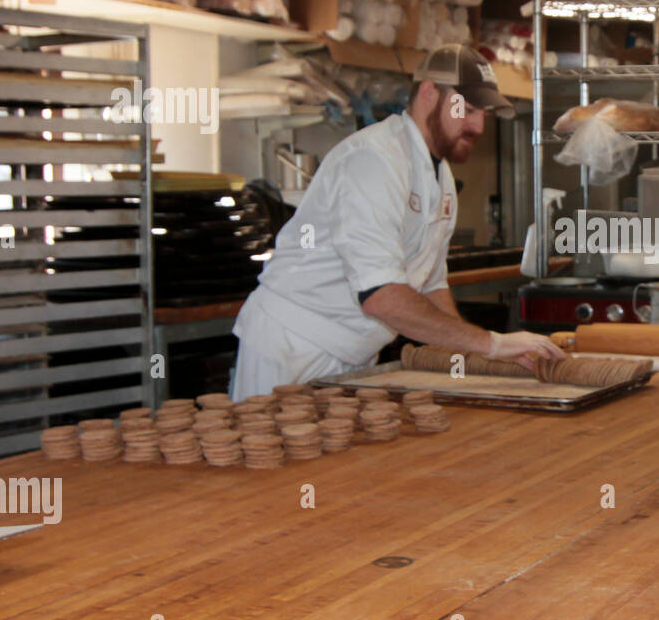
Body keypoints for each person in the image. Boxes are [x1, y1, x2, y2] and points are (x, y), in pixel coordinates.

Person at [231, 44, 563, 399]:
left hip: (353, 352)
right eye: (465, 108)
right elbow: (382, 298)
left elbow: (430, 285)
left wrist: (472, 353)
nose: (478, 125)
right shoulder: (373, 160)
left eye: (483, 112)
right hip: (293, 348)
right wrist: (491, 345)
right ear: (428, 92)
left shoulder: (441, 176)